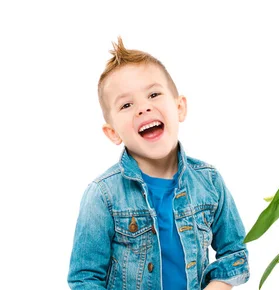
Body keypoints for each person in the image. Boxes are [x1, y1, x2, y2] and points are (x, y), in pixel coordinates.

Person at [67, 37, 249, 290]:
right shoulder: (102, 195)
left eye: (153, 94)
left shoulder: (209, 182)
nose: (143, 108)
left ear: (179, 108)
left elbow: (235, 252)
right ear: (113, 133)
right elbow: (84, 279)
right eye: (127, 104)